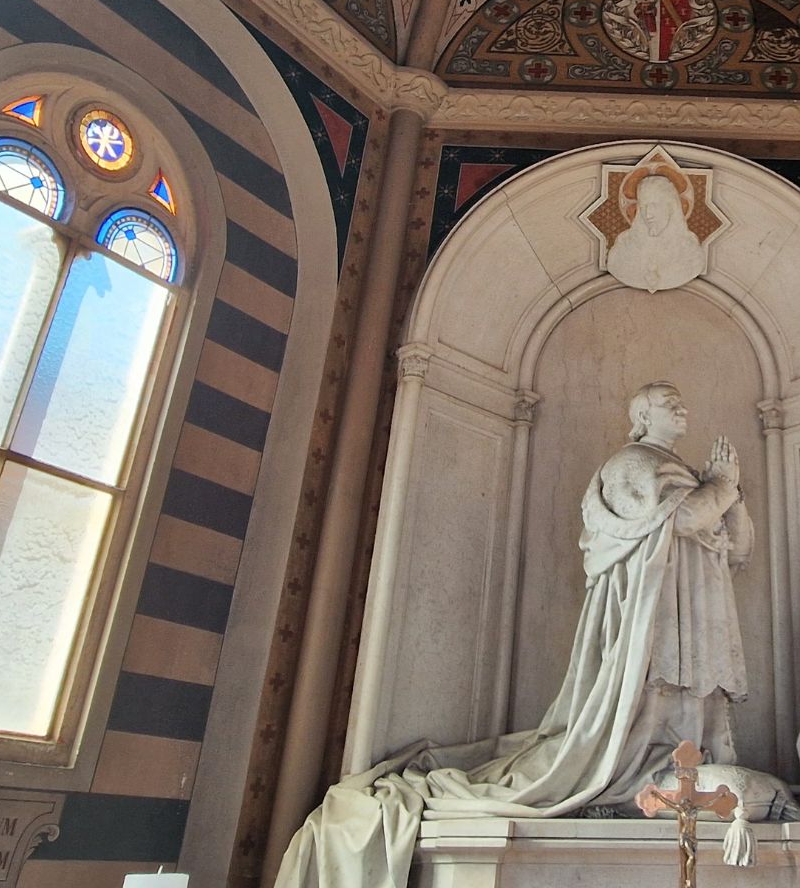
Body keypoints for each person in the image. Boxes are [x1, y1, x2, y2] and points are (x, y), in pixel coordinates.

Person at [274, 382, 752, 888]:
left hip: (696, 616)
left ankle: (677, 769)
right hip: (651, 622)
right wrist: (721, 488)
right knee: (646, 702)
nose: (681, 407)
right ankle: (633, 774)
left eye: (681, 399)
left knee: (691, 705)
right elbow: (681, 517)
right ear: (640, 417)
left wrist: (730, 493)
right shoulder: (631, 464)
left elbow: (737, 548)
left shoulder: (694, 477)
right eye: (666, 401)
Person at [606, 173, 706, 292]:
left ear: (671, 207)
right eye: (644, 206)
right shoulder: (623, 250)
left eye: (654, 205)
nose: (648, 214)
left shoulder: (690, 253)